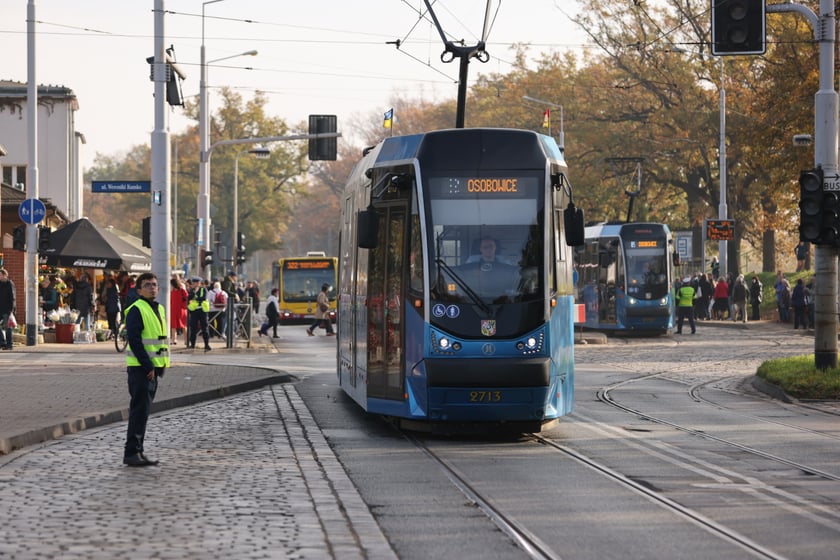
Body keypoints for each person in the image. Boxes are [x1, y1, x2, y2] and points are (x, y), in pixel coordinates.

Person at [122, 272, 169, 467]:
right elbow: (134, 339)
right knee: (139, 412)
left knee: (143, 412)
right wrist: (148, 365)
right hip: (141, 369)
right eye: (147, 285)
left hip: (153, 369)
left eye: (154, 285)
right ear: (139, 289)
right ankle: (132, 452)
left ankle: (138, 451)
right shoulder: (137, 309)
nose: (152, 288)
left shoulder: (158, 308)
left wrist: (161, 365)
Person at [186, 278, 211, 351]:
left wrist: (195, 298)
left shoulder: (203, 290)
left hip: (202, 310)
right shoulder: (191, 291)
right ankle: (192, 344)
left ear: (198, 283)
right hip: (194, 311)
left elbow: (203, 298)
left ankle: (206, 345)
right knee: (193, 328)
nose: (193, 285)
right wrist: (194, 297)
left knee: (205, 328)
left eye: (195, 283)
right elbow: (189, 299)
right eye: (193, 283)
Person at [0, 268, 17, 351]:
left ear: (4, 275)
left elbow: (12, 298)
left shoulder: (9, 284)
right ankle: (2, 343)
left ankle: (9, 344)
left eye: (0, 275)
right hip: (0, 308)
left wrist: (11, 310)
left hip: (7, 309)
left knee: (8, 327)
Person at [169, 276, 188, 345]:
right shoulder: (172, 291)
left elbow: (186, 298)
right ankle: (174, 339)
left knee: (183, 325)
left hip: (180, 310)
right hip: (175, 309)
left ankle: (185, 340)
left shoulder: (181, 290)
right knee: (174, 326)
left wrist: (184, 306)